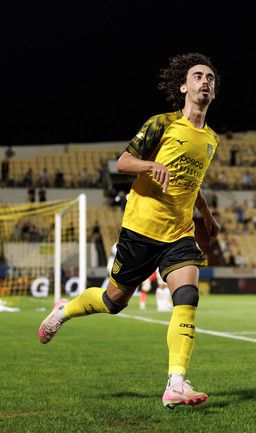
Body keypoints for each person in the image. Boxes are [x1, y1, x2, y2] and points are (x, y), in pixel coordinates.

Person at [38, 53, 221, 408]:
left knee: (187, 296)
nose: (205, 81)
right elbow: (122, 162)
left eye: (210, 78)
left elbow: (192, 181)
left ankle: (176, 383)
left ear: (214, 90)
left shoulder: (212, 139)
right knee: (113, 302)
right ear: (184, 87)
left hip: (179, 232)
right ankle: (64, 310)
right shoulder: (161, 124)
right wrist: (150, 165)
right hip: (141, 227)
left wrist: (207, 215)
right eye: (198, 76)